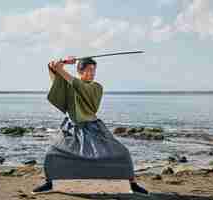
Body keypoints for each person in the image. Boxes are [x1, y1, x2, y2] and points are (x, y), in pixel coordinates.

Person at [32, 57, 148, 194]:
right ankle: (50, 182)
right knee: (53, 153)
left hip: (93, 127)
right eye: (89, 70)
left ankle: (132, 183)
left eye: (94, 70)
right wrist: (60, 63)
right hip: (71, 127)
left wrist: (61, 69)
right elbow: (57, 79)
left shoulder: (96, 87)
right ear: (79, 71)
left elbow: (78, 85)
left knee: (122, 153)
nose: (92, 73)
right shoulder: (69, 84)